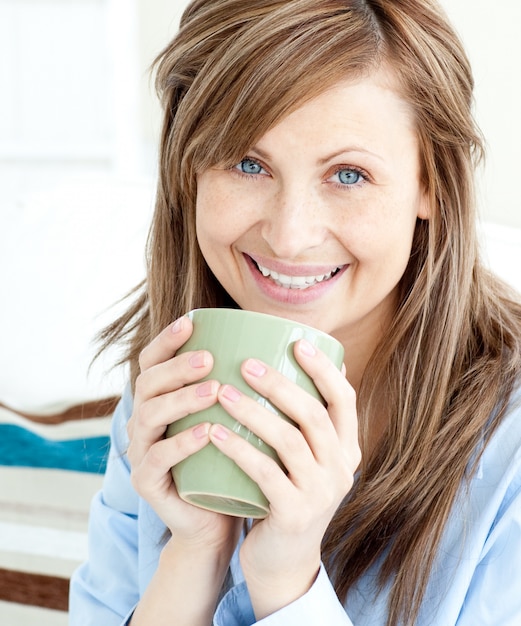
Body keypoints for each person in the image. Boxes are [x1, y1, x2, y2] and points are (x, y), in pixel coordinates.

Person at [69, 0, 521, 624]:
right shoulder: (172, 391)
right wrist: (195, 551)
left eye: (349, 175)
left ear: (430, 187)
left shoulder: (511, 454)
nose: (288, 236)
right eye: (248, 164)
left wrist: (287, 579)